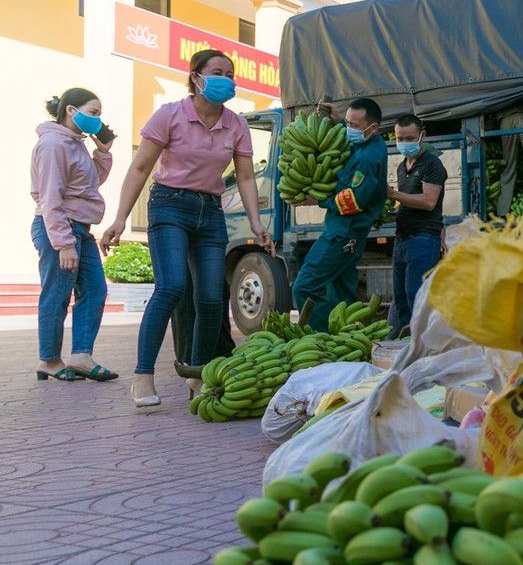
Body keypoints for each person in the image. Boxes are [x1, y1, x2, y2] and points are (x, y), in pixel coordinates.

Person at [101, 50, 271, 409]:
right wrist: (120, 218)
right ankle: (143, 375)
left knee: (211, 298)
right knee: (172, 285)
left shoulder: (236, 124)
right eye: (216, 72)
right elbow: (139, 168)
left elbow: (243, 176)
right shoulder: (171, 115)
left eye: (230, 73)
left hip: (210, 211)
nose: (226, 78)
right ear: (196, 77)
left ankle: (197, 373)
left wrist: (257, 221)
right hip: (168, 205)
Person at [30, 89, 116, 382]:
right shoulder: (54, 144)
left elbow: (90, 184)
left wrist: (103, 152)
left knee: (94, 290)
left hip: (80, 226)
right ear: (70, 110)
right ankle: (50, 360)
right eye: (93, 113)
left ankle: (80, 356)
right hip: (59, 226)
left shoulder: (75, 143)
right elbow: (50, 196)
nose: (97, 119)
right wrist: (63, 242)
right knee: (57, 293)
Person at [291, 97, 389, 334]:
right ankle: (347, 338)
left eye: (354, 126)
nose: (349, 129)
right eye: (347, 123)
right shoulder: (363, 145)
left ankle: (325, 334)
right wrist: (335, 122)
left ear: (372, 128)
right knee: (342, 293)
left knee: (304, 287)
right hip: (347, 233)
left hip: (343, 233)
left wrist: (317, 200)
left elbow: (353, 200)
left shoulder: (369, 157)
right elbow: (346, 145)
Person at [388, 115, 447, 334]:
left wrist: (394, 193)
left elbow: (429, 201)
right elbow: (406, 200)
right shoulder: (402, 166)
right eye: (400, 138)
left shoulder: (433, 165)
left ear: (422, 136)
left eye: (410, 138)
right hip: (402, 239)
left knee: (417, 295)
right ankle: (405, 344)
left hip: (423, 239)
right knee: (401, 298)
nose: (404, 143)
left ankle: (425, 346)